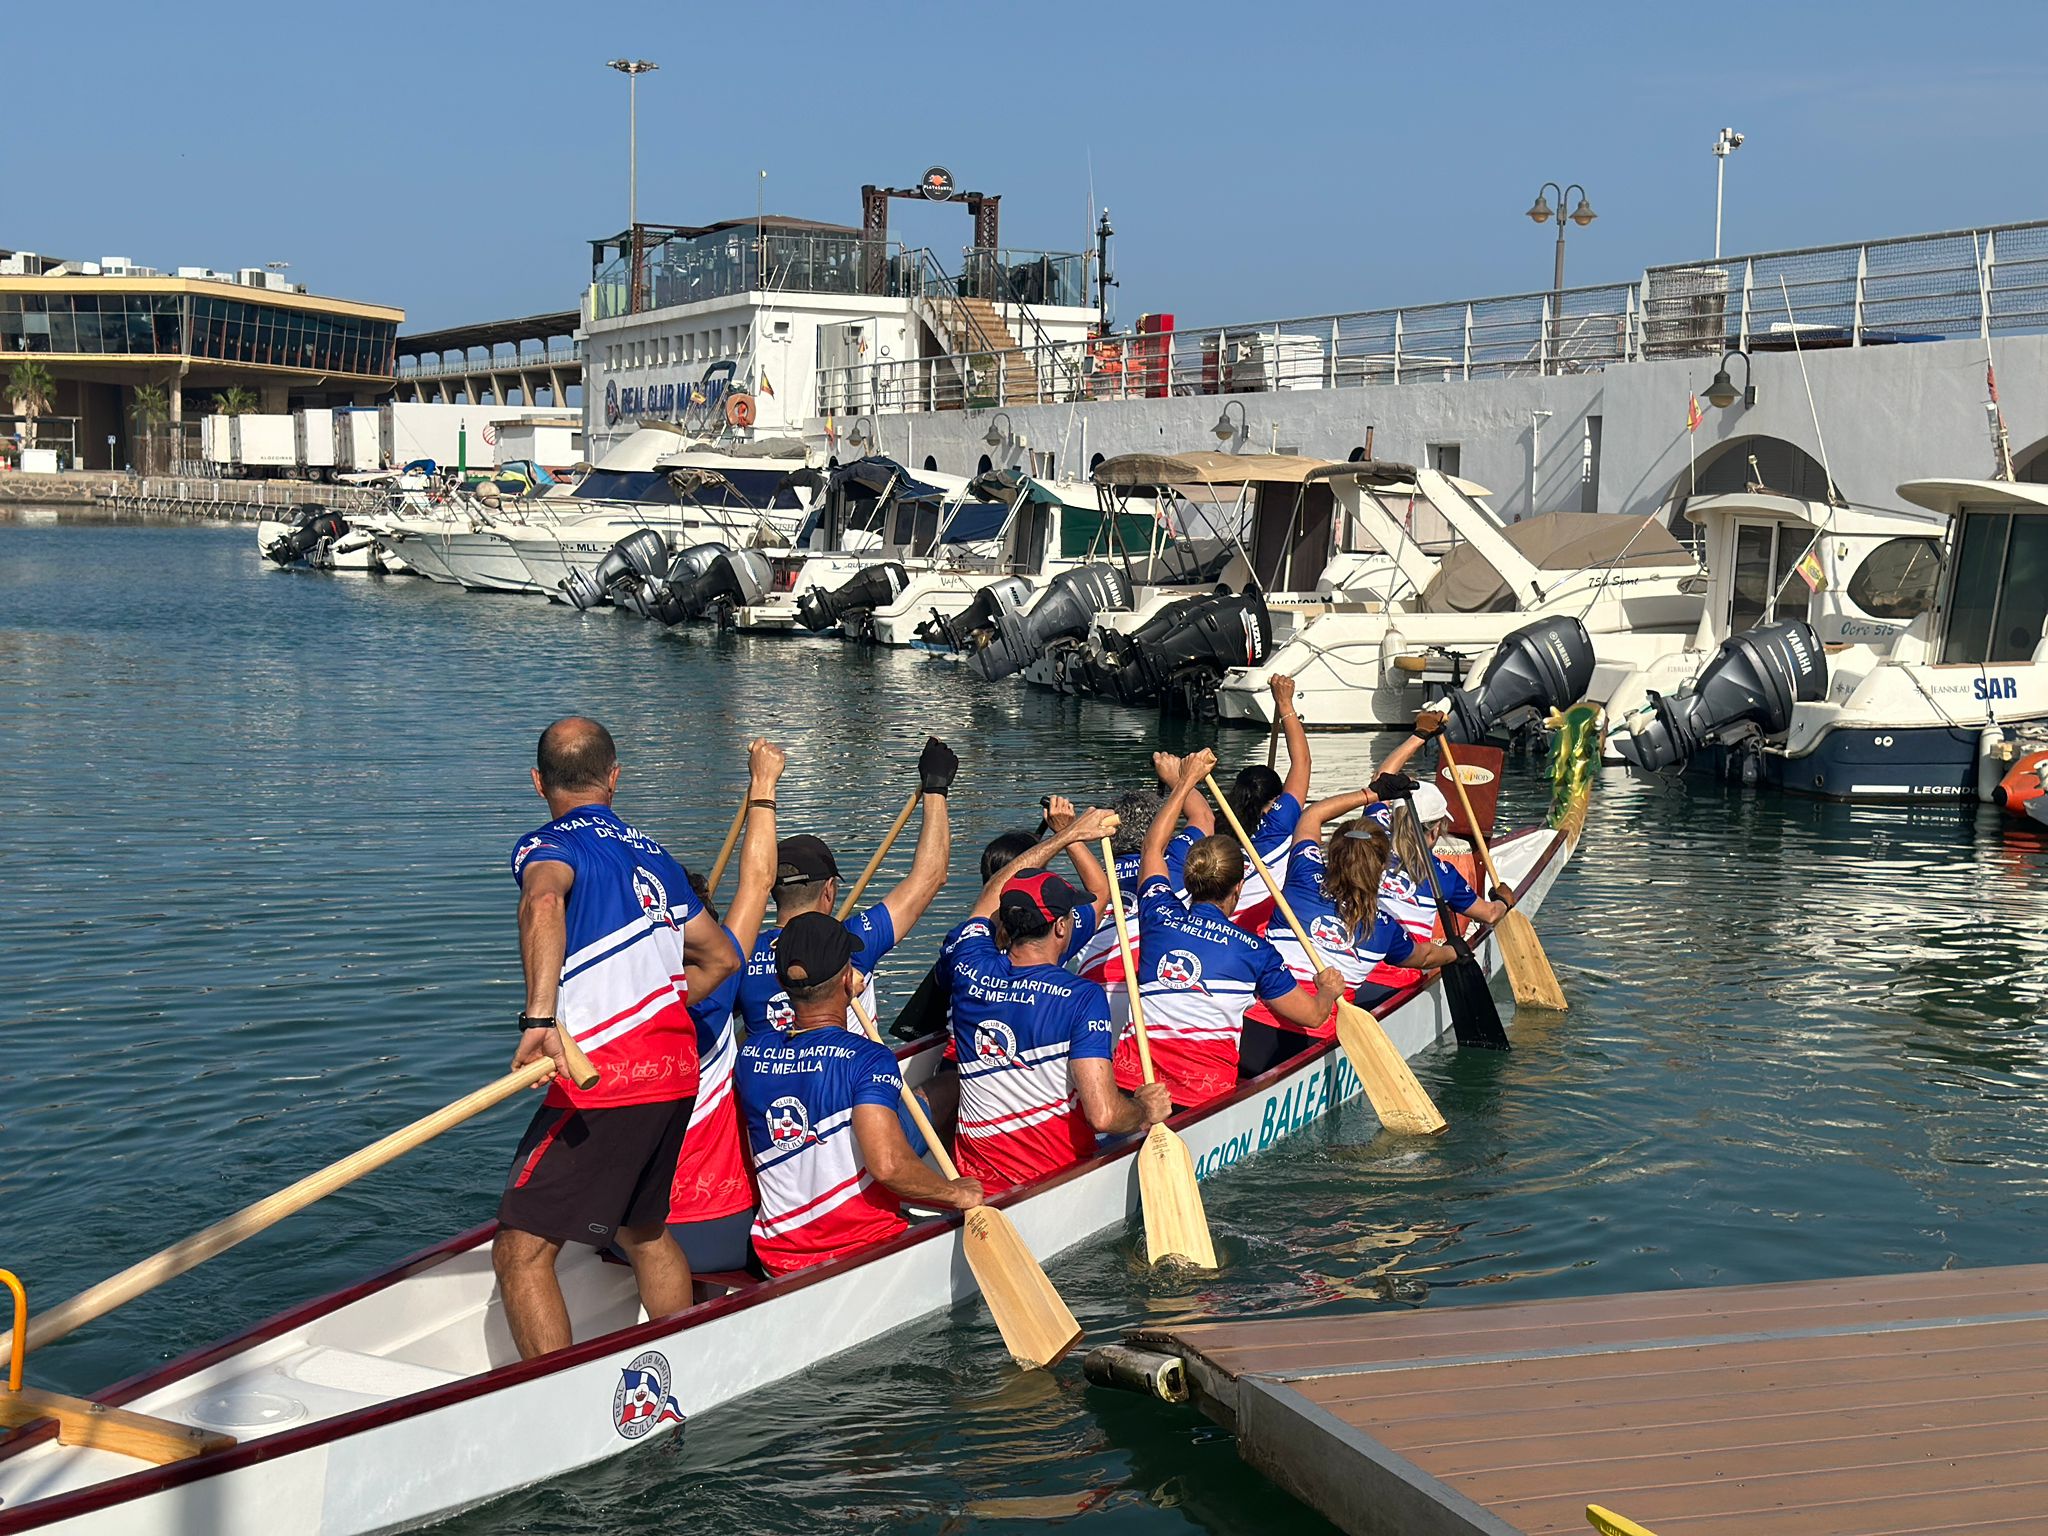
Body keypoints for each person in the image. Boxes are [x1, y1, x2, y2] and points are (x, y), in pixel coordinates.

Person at [494, 717, 740, 1359]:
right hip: (676, 1073)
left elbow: (543, 903)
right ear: (614, 777)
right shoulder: (656, 857)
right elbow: (721, 958)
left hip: (604, 1079)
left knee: (520, 1252)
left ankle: (555, 1392)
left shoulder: (547, 845)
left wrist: (540, 1022)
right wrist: (655, 1006)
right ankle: (684, 1358)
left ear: (538, 781)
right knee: (642, 1229)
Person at [734, 912, 982, 1275]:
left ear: (780, 981)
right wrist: (958, 1193)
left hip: (777, 1258)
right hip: (860, 1250)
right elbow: (889, 1166)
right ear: (848, 979)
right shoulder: (868, 1058)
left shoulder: (750, 1054)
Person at [941, 809, 1171, 1195]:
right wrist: (1145, 1108)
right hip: (1053, 1179)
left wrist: (1063, 836)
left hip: (977, 1181)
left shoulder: (968, 964)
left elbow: (988, 896)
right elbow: (1103, 1115)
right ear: (1061, 926)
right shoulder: (1082, 997)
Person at [1113, 750, 1342, 1108]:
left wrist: (1185, 782)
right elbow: (1313, 1016)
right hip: (1202, 1098)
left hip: (1130, 1083)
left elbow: (1152, 847)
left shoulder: (1156, 913)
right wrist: (1327, 991)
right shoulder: (1256, 951)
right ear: (1238, 888)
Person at [735, 737, 957, 1036]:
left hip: (764, 1064)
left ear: (772, 889)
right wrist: (935, 787)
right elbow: (931, 876)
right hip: (847, 1063)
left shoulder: (740, 952)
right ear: (829, 890)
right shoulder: (852, 942)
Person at [1241, 785, 1459, 1077]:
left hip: (1249, 1031)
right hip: (1314, 1040)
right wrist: (1454, 952)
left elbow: (1312, 815)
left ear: (1332, 854)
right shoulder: (1382, 928)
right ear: (1381, 867)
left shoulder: (1302, 876)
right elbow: (1425, 956)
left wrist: (1371, 794)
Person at [667, 737, 785, 1274]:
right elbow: (758, 883)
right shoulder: (712, 994)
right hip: (721, 1224)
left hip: (632, 1231)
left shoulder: (616, 1005)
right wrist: (763, 787)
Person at [1226, 675, 1311, 931]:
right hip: (1259, 927)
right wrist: (1285, 703)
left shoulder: (1220, 824)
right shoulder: (1279, 825)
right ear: (1275, 801)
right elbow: (1302, 762)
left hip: (1223, 921)